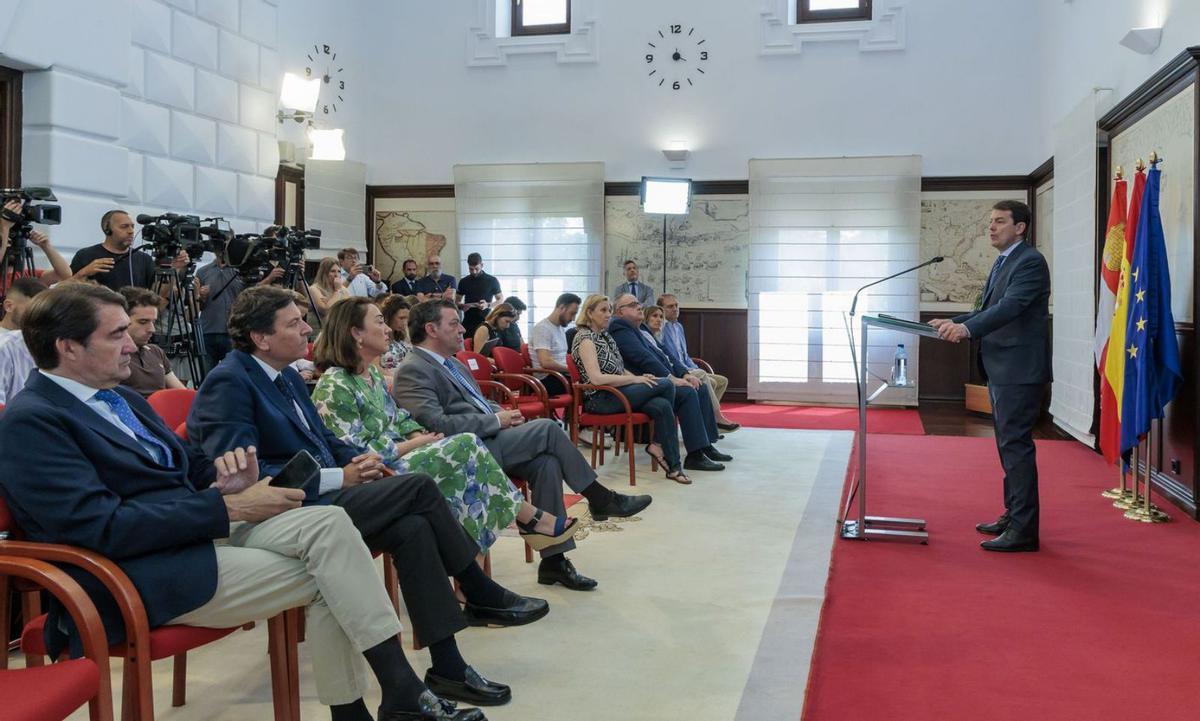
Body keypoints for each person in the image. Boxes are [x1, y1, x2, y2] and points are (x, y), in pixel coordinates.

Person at [0, 283, 486, 721]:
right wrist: (225, 508)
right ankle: (382, 700)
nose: (134, 344)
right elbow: (98, 527)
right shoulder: (33, 420)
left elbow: (191, 466)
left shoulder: (117, 397)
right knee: (336, 569)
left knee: (331, 529)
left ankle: (393, 696)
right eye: (117, 335)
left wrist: (231, 480)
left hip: (192, 537)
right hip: (135, 573)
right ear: (67, 346)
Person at [190, 287, 543, 707]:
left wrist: (361, 461)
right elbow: (244, 475)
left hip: (323, 495)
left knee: (412, 528)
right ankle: (477, 587)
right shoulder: (230, 381)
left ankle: (447, 665)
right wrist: (342, 475)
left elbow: (323, 440)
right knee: (417, 487)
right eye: (294, 323)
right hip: (284, 511)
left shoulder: (283, 375)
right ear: (260, 337)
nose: (308, 328)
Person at [392, 299, 652, 591]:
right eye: (454, 323)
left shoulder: (452, 363)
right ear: (431, 329)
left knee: (547, 464)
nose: (462, 329)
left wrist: (500, 412)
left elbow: (477, 402)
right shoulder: (413, 370)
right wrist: (496, 421)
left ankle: (554, 562)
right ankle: (600, 497)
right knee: (548, 428)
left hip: (490, 438)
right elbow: (436, 425)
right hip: (464, 455)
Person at [310, 297, 580, 552]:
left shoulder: (371, 376)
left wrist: (421, 435)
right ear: (356, 333)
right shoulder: (335, 384)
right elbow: (354, 453)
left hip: (402, 457)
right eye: (380, 322)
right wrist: (417, 442)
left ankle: (519, 558)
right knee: (467, 444)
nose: (389, 330)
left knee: (544, 461)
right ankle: (531, 520)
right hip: (377, 475)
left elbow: (400, 419)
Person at [929, 200, 1050, 553]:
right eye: (991, 222)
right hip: (1002, 367)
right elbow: (987, 309)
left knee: (1016, 447)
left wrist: (966, 331)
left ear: (1021, 227)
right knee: (1007, 446)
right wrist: (956, 322)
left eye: (1000, 221)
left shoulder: (1029, 261)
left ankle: (1025, 530)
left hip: (1019, 370)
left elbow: (1010, 308)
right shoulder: (1004, 262)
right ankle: (1013, 515)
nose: (991, 228)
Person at [571, 295, 691, 485]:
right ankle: (657, 444)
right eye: (603, 310)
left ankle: (674, 467)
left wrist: (641, 378)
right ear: (589, 313)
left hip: (618, 391)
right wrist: (634, 379)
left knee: (661, 405)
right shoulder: (585, 338)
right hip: (601, 398)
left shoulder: (605, 336)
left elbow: (620, 368)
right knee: (667, 384)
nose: (608, 314)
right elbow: (596, 379)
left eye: (609, 310)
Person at [607, 293, 728, 472]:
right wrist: (671, 378)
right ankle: (694, 455)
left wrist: (685, 373)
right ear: (620, 312)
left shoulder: (641, 328)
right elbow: (643, 359)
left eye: (638, 303)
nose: (639, 306)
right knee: (688, 392)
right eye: (632, 305)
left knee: (698, 386)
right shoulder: (620, 328)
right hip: (643, 383)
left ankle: (705, 445)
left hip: (659, 378)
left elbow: (665, 353)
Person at [653, 295, 740, 431]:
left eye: (676, 305)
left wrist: (694, 368)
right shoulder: (660, 328)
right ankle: (716, 419)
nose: (675, 309)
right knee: (710, 381)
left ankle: (707, 423)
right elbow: (667, 357)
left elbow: (684, 355)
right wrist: (688, 371)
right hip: (676, 371)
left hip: (687, 367)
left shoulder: (679, 327)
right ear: (661, 309)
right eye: (670, 306)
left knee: (722, 381)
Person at [196, 250, 286, 371]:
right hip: (208, 330)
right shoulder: (203, 271)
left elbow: (251, 294)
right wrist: (201, 296)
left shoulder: (240, 271)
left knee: (234, 371)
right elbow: (199, 306)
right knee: (206, 374)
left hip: (232, 331)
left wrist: (269, 279)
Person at [69, 210, 187, 292]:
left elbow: (156, 296)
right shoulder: (86, 255)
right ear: (107, 229)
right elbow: (65, 289)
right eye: (124, 226)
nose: (131, 231)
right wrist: (84, 273)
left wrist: (175, 269)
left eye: (132, 226)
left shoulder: (143, 259)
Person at [118, 286, 186, 396]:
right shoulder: (111, 357)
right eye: (143, 322)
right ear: (122, 319)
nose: (152, 329)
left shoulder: (156, 352)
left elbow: (183, 394)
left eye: (153, 322)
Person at [0, 277, 46, 404]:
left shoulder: (44, 339)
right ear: (9, 306)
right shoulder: (4, 345)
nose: (40, 316)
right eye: (33, 309)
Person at [529, 293, 581, 397]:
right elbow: (546, 362)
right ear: (562, 307)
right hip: (547, 379)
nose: (573, 319)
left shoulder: (560, 328)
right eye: (572, 313)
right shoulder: (543, 329)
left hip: (560, 375)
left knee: (591, 381)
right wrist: (571, 369)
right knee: (589, 386)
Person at [457, 253, 503, 338]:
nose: (474, 272)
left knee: (485, 349)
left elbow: (500, 300)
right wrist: (461, 305)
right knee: (467, 348)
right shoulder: (463, 281)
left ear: (482, 265)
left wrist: (488, 305)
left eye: (476, 269)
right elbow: (457, 300)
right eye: (471, 269)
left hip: (486, 321)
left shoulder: (492, 280)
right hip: (468, 322)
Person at [380, 295, 414, 372]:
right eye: (401, 318)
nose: (405, 323)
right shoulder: (378, 340)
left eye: (407, 318)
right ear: (389, 316)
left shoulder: (401, 338)